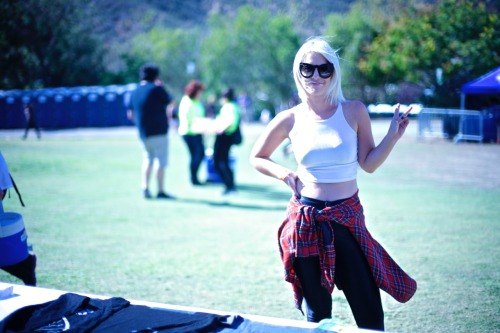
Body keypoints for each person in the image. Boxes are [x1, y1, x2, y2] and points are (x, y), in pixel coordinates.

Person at [249, 36, 417, 331]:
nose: (315, 75)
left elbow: (369, 164)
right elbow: (258, 156)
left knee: (368, 309)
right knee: (318, 313)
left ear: (334, 72)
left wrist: (393, 135)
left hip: (347, 218)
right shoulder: (290, 118)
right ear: (298, 71)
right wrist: (285, 174)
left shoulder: (353, 111)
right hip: (306, 220)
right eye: (308, 69)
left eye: (324, 69)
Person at [127, 63, 175, 200]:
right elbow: (171, 101)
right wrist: (161, 86)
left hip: (144, 132)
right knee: (160, 161)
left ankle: (145, 188)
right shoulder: (157, 89)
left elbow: (130, 114)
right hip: (159, 131)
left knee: (147, 159)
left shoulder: (134, 91)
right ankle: (160, 190)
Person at [178, 80, 207, 186]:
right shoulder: (186, 101)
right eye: (200, 92)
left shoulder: (197, 102)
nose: (201, 94)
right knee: (195, 156)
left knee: (200, 155)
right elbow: (188, 119)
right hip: (189, 133)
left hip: (198, 132)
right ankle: (193, 178)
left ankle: (195, 177)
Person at [213, 88, 241, 195]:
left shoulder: (231, 107)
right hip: (224, 137)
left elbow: (231, 122)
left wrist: (222, 129)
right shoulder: (230, 106)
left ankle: (230, 186)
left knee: (220, 162)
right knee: (222, 162)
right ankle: (229, 185)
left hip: (225, 137)